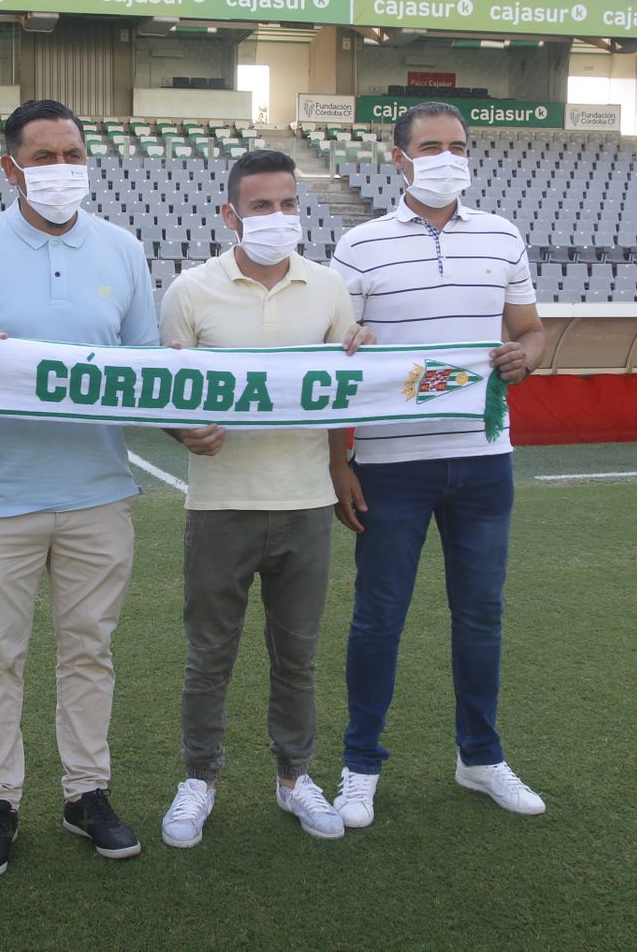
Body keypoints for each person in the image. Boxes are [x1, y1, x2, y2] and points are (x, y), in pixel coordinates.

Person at [0, 99, 157, 879]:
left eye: (74, 154)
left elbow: (146, 371)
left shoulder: (123, 250)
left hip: (98, 489)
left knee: (90, 649)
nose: (63, 170)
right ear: (11, 166)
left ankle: (85, 791)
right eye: (46, 156)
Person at [326, 101, 548, 828]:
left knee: (481, 616)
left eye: (457, 145)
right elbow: (333, 356)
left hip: (483, 460)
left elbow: (531, 331)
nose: (446, 156)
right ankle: (361, 765)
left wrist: (525, 358)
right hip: (391, 463)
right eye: (430, 146)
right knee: (377, 619)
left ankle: (479, 758)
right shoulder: (359, 246)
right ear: (399, 158)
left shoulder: (503, 235)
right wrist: (340, 462)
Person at [155, 150, 374, 848]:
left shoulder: (330, 286)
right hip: (220, 505)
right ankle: (200, 780)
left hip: (306, 502)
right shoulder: (190, 290)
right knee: (209, 655)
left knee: (297, 654)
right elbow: (166, 391)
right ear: (231, 214)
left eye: (287, 204)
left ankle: (294, 777)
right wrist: (184, 430)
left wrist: (362, 358)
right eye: (261, 206)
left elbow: (344, 385)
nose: (277, 218)